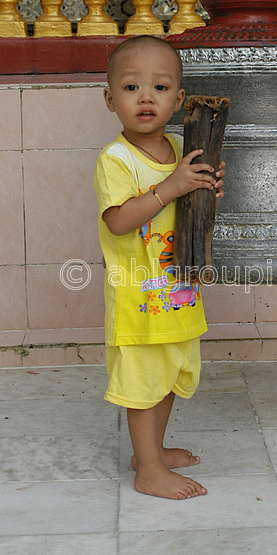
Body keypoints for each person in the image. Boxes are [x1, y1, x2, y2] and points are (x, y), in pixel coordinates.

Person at [94, 35, 224, 500]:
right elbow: (118, 221)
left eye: (160, 87)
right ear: (111, 100)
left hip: (177, 291)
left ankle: (150, 451)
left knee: (167, 375)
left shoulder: (180, 148)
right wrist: (171, 187)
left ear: (179, 99)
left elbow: (188, 205)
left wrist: (204, 187)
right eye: (131, 87)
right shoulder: (116, 159)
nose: (146, 97)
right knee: (142, 384)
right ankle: (148, 471)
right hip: (138, 299)